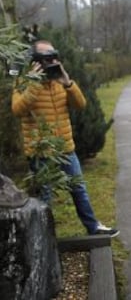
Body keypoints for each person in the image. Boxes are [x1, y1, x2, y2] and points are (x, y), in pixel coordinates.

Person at [11, 40, 119, 237]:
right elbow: (18, 109)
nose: (51, 61)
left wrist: (68, 83)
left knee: (79, 190)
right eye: (46, 58)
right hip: (40, 153)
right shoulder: (24, 82)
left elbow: (80, 104)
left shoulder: (59, 82)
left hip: (66, 149)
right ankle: (45, 237)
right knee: (45, 197)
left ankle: (93, 227)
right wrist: (34, 84)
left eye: (53, 57)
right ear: (35, 61)